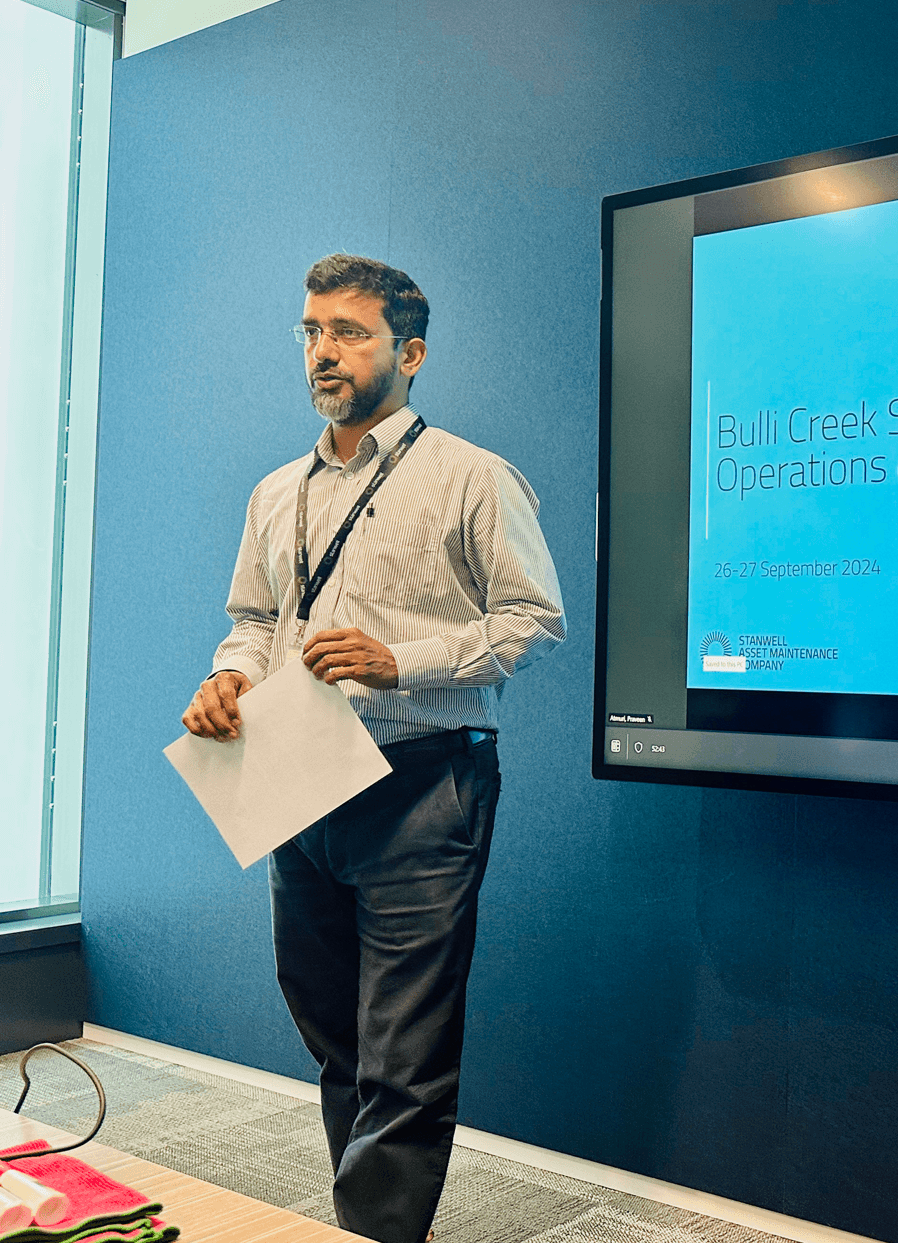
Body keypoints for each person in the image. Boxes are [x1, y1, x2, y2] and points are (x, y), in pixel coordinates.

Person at [180, 254, 565, 1243]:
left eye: (349, 331)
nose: (324, 350)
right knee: (328, 1022)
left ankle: (372, 1229)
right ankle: (369, 1222)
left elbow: (532, 620)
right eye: (312, 330)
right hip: (294, 777)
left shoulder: (473, 477)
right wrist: (230, 677)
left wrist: (407, 661)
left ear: (412, 351)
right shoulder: (278, 492)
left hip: (423, 783)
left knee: (403, 1045)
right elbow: (251, 619)